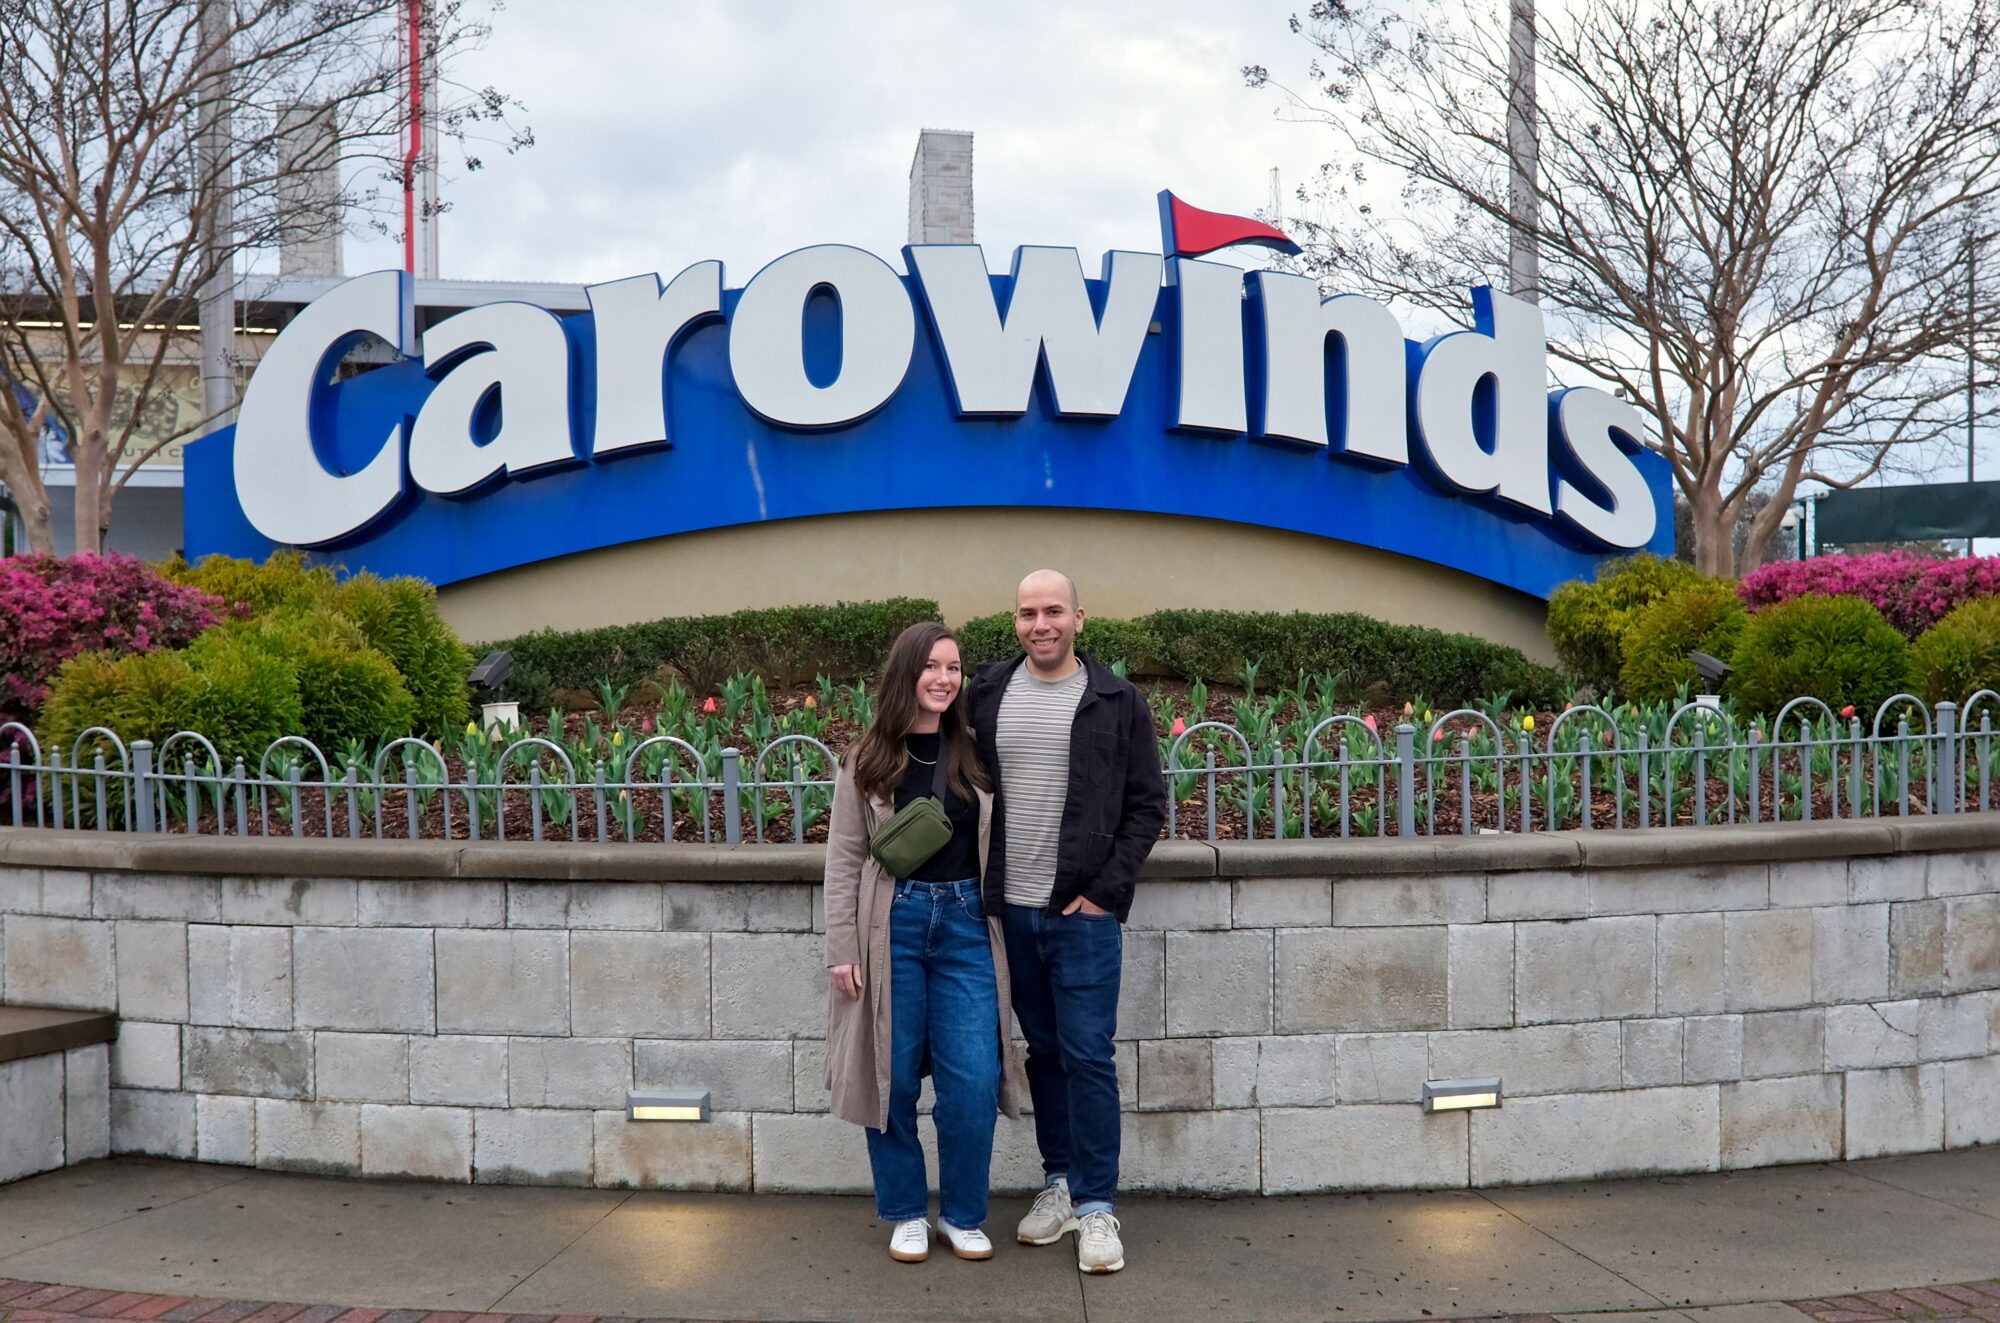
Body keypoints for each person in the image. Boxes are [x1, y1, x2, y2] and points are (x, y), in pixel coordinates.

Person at [966, 570, 1167, 1275]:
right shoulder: (986, 694)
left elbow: (1148, 807)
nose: (1040, 622)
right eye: (1027, 612)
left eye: (1054, 610)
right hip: (1007, 913)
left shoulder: (1116, 699)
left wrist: (1106, 893)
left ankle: (1097, 1207)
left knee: (1087, 1054)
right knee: (1042, 1052)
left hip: (1080, 914)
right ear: (1015, 620)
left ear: (1080, 617)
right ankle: (1058, 1182)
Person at [823, 622, 1024, 1264]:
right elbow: (845, 860)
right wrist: (842, 948)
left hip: (967, 924)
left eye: (954, 668)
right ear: (905, 673)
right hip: (892, 927)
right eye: (931, 666)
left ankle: (963, 1214)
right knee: (893, 1077)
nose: (944, 679)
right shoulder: (869, 760)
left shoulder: (975, 753)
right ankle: (907, 1211)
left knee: (973, 1080)